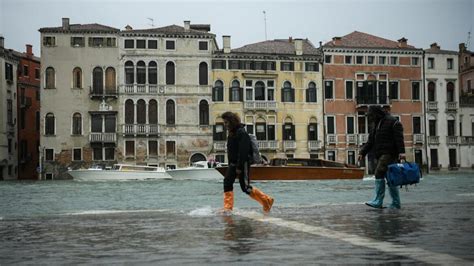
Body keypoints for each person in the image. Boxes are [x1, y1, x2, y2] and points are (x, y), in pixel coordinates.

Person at [221, 111, 274, 214]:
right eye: (224, 123)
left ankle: (266, 200)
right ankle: (228, 208)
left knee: (245, 187)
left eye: (226, 122)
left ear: (232, 122)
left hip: (242, 163)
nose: (225, 125)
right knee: (227, 182)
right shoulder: (231, 133)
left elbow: (243, 152)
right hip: (232, 163)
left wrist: (240, 167)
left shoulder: (241, 133)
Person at [358, 105, 406, 209]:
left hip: (390, 153)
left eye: (371, 115)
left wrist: (402, 153)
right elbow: (370, 141)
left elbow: (399, 139)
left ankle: (378, 201)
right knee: (390, 177)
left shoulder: (393, 122)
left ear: (376, 114)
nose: (370, 117)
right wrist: (362, 152)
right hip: (380, 154)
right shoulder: (375, 124)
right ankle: (396, 203)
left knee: (379, 172)